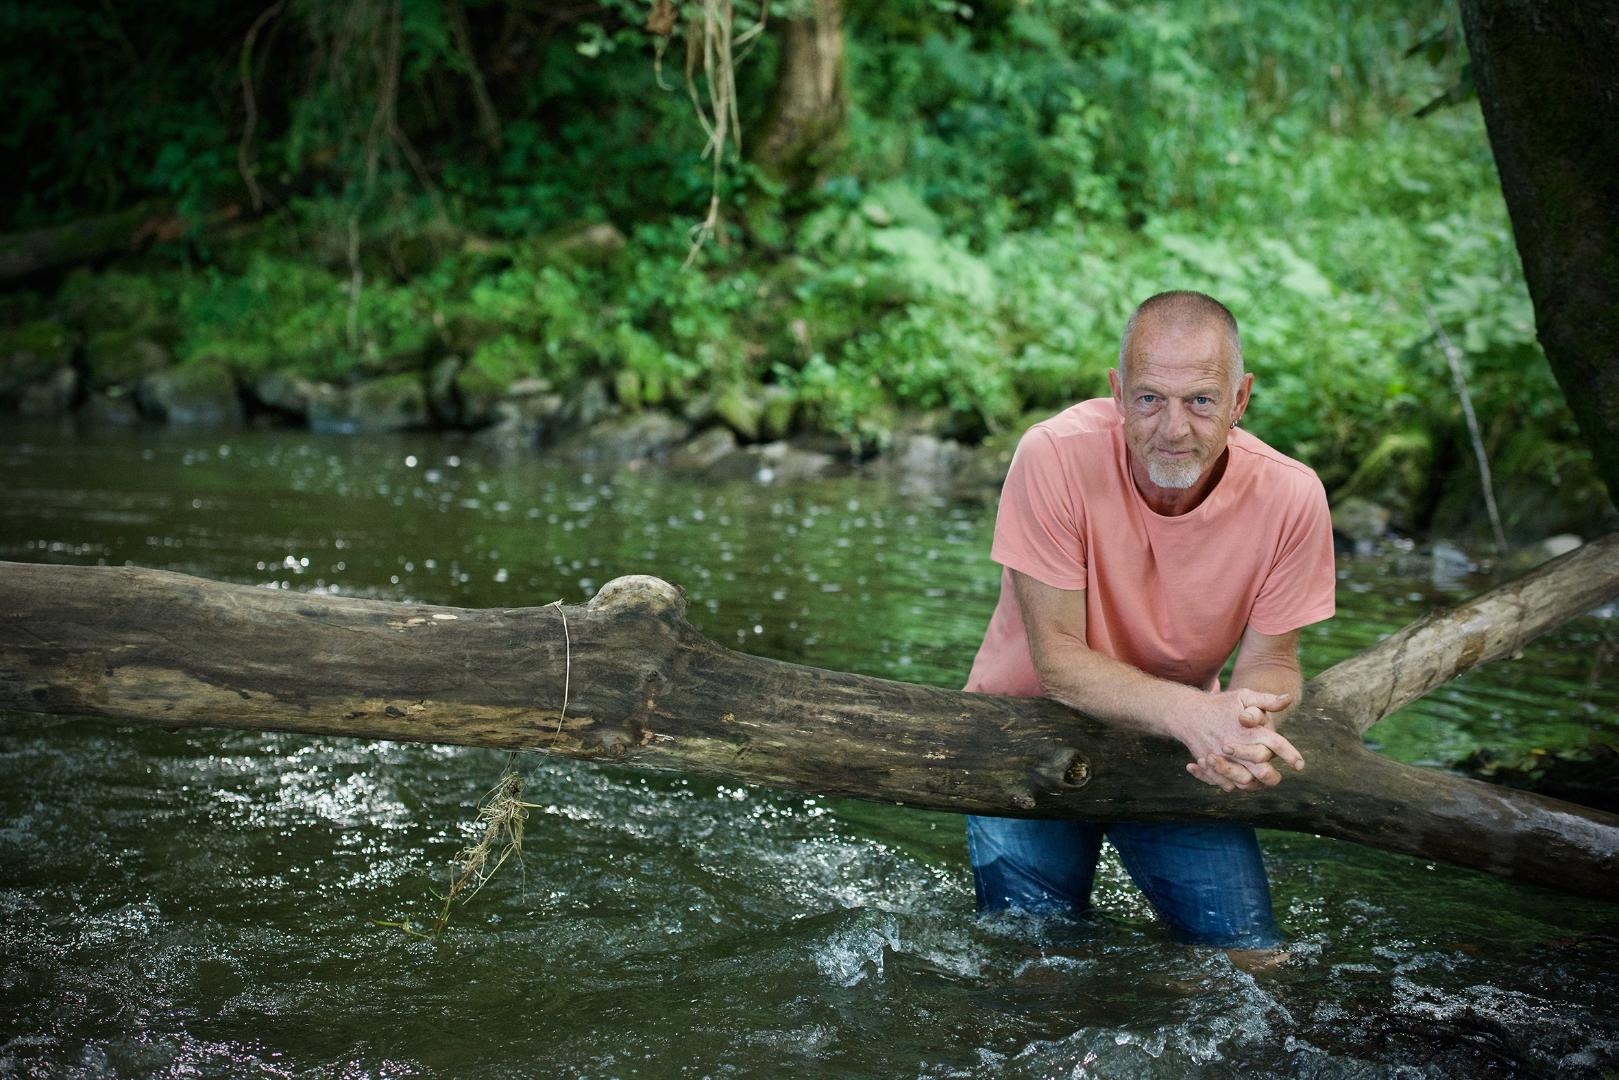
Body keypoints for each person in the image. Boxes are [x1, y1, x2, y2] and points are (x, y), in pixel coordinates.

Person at [963, 290, 1336, 949]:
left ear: (1240, 399)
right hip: (1024, 734)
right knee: (1035, 967)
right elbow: (1058, 660)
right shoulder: (1053, 455)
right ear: (1117, 393)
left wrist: (1247, 734)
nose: (1173, 429)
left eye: (1200, 401)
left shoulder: (1291, 496)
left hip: (1176, 751)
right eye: (1149, 399)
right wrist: (1199, 717)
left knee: (1251, 960)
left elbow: (1272, 663)